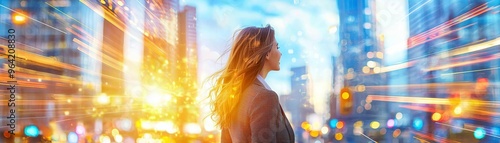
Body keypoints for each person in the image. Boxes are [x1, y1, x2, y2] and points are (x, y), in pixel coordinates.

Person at [207, 25, 294, 143]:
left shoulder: (233, 96)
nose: (280, 53)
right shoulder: (265, 97)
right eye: (277, 47)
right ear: (267, 53)